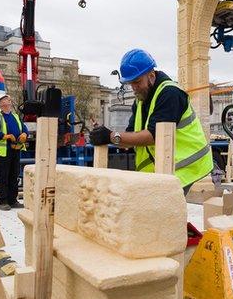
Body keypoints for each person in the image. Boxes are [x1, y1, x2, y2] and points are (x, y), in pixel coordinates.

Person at [89, 49, 213, 194]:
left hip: (185, 166)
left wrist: (111, 136)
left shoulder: (170, 93)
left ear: (151, 76)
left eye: (137, 82)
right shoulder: (140, 101)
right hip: (162, 169)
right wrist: (106, 135)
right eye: (130, 83)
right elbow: (130, 137)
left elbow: (154, 136)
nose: (134, 88)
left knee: (165, 212)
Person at [0, 94, 26, 211]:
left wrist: (24, 134)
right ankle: (3, 201)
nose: (9, 100)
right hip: (4, 151)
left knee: (14, 176)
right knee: (4, 177)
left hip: (16, 149)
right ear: (1, 103)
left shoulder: (15, 116)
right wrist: (5, 136)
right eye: (7, 99)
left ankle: (13, 200)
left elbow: (23, 128)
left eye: (9, 98)